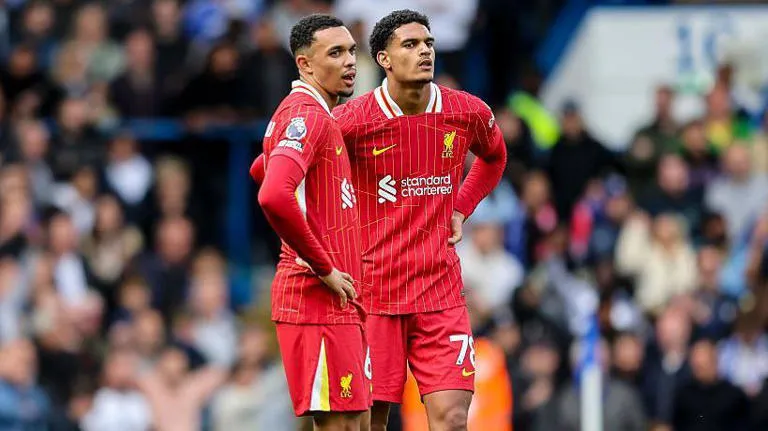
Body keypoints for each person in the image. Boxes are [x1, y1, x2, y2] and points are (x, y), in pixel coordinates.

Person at [332, 10, 506, 431]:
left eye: (428, 43)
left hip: (440, 293)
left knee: (453, 418)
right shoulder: (352, 120)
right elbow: (280, 173)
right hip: (374, 294)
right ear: (384, 59)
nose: (424, 51)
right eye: (410, 45)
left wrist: (461, 207)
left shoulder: (466, 111)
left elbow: (494, 157)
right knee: (370, 421)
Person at [250, 14, 371, 431]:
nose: (349, 61)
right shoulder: (308, 116)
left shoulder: (316, 115)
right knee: (340, 425)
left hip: (337, 299)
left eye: (351, 50)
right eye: (335, 53)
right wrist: (323, 265)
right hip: (315, 296)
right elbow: (273, 193)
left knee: (358, 421)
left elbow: (261, 169)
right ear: (304, 64)